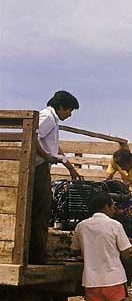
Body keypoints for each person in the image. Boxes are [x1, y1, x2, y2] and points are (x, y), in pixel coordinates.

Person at [32, 91, 82, 263]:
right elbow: (32, 138)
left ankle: (37, 253)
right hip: (37, 168)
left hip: (42, 167)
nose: (69, 114)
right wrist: (47, 157)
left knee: (43, 209)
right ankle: (37, 256)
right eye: (69, 110)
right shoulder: (47, 117)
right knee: (41, 210)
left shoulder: (52, 119)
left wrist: (70, 167)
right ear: (61, 107)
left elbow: (53, 146)